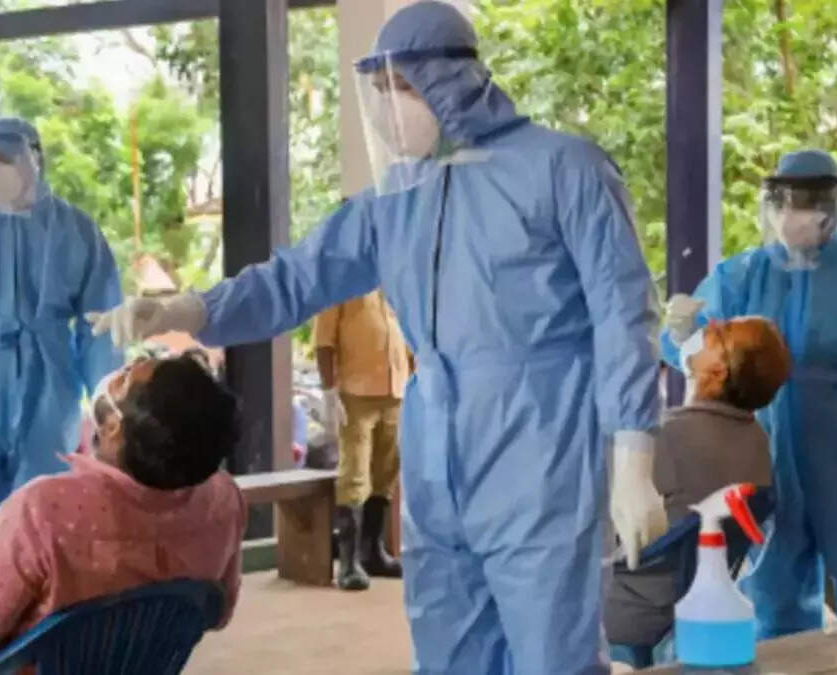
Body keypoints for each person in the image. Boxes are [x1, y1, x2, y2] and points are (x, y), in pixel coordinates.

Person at [86, 2, 665, 672]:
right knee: (448, 650)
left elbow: (623, 313)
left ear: (452, 80)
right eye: (380, 91)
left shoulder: (565, 169)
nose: (389, 109)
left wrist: (634, 455)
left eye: (401, 88)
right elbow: (296, 279)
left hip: (539, 451)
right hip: (435, 455)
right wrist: (184, 309)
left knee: (550, 654)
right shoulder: (397, 199)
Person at [662, 149, 837, 637]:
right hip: (766, 443)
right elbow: (699, 354)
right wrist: (682, 332)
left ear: (836, 206)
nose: (794, 216)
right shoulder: (742, 274)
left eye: (809, 204)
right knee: (772, 590)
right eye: (784, 203)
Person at [0, 354, 246, 671]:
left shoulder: (43, 512)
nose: (127, 364)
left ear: (113, 428)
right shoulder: (224, 499)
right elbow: (219, 612)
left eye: (125, 378)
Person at [0, 117, 122, 579]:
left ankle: (37, 615)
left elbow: (100, 324)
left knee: (41, 512)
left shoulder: (75, 231)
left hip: (46, 390)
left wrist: (108, 397)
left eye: (3, 159)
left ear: (33, 160)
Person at [605, 316, 790, 667]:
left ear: (718, 371)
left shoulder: (660, 441)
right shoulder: (757, 442)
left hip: (621, 614)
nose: (711, 325)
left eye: (721, 333)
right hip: (677, 616)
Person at [313, 289, 412, 590]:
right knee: (354, 473)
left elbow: (410, 338)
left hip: (397, 391)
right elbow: (323, 341)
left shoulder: (396, 285)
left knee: (386, 473)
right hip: (356, 393)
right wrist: (329, 392)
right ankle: (348, 562)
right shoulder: (342, 284)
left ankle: (373, 553)